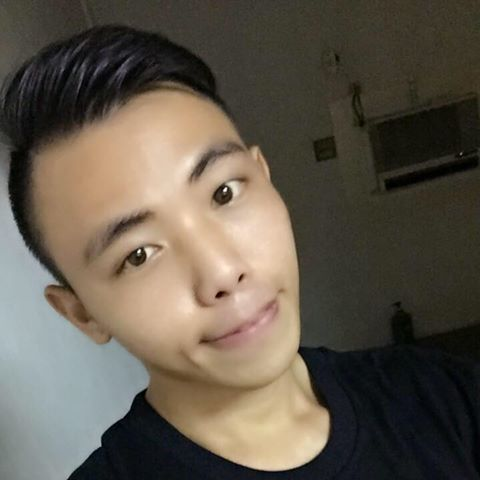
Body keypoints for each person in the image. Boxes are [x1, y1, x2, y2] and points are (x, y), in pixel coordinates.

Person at [0, 24, 478, 480]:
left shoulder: (437, 394)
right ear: (82, 315)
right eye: (139, 254)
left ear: (263, 176)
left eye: (224, 193)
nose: (223, 272)